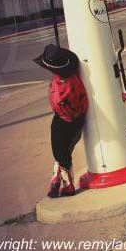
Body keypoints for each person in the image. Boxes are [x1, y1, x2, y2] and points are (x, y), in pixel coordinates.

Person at [33, 44, 89, 198]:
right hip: (77, 120)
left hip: (62, 122)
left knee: (61, 153)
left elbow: (57, 105)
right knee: (65, 150)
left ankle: (67, 184)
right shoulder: (75, 79)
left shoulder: (58, 84)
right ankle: (56, 178)